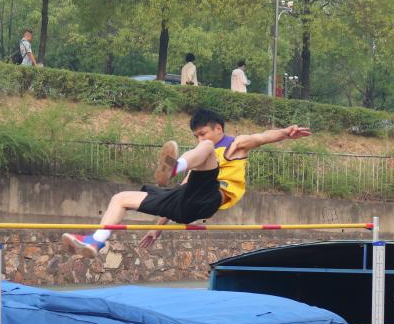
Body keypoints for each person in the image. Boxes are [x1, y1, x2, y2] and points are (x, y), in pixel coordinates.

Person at [62, 108, 311, 257]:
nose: (200, 138)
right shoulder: (200, 158)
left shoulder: (235, 145)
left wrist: (285, 133)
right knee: (120, 198)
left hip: (211, 198)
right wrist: (157, 228)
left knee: (205, 150)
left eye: (203, 133)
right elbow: (181, 194)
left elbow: (262, 136)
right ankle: (96, 241)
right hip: (187, 203)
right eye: (196, 136)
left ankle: (175, 167)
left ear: (218, 128)